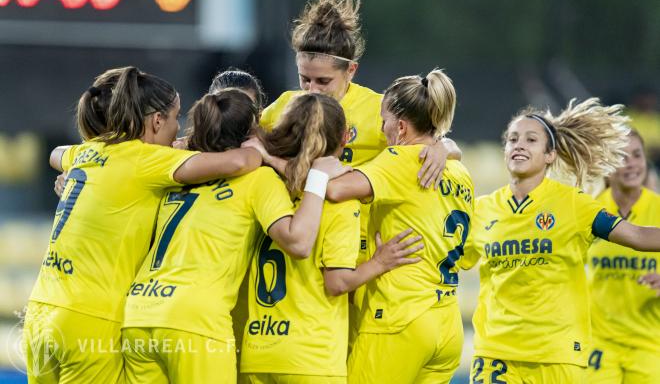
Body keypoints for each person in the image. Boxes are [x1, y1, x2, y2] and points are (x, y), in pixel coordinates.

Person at [23, 66, 262, 383]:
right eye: (176, 118)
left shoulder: (92, 151)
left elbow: (56, 153)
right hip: (91, 318)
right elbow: (239, 162)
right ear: (157, 121)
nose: (178, 130)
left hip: (40, 313)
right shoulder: (147, 160)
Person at [122, 90, 348, 383]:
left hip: (138, 314)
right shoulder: (256, 178)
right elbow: (299, 241)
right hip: (196, 320)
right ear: (252, 129)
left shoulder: (175, 172)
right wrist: (318, 178)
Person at [462, 99, 660, 384]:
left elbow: (637, 236)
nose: (519, 145)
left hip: (557, 354)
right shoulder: (481, 210)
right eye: (513, 139)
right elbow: (448, 260)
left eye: (531, 140)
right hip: (496, 353)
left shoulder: (573, 204)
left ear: (550, 155)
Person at [240, 93, 424, 384]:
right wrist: (379, 262)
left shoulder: (264, 181)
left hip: (258, 351)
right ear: (344, 137)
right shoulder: (340, 201)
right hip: (312, 357)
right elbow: (336, 283)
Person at [323, 69, 474, 384]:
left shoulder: (399, 160)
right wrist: (445, 147)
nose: (381, 129)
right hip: (447, 324)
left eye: (384, 121)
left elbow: (335, 190)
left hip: (399, 318)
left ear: (402, 127)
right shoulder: (460, 172)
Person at [587, 130, 660, 383]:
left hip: (649, 343)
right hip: (599, 341)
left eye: (637, 155)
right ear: (606, 165)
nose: (631, 164)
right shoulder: (589, 210)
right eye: (621, 156)